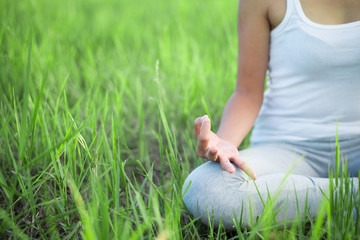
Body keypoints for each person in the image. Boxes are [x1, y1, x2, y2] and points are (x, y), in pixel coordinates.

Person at [182, 0, 360, 229]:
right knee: (207, 187)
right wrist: (224, 143)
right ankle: (350, 196)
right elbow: (247, 93)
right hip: (287, 148)